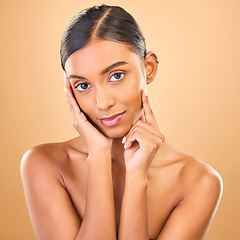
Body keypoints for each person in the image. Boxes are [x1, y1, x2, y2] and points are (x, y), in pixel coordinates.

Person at [20, 4, 223, 240]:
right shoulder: (45, 165)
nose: (102, 102)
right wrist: (98, 155)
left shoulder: (198, 182)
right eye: (83, 85)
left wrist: (137, 178)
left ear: (149, 68)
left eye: (116, 76)